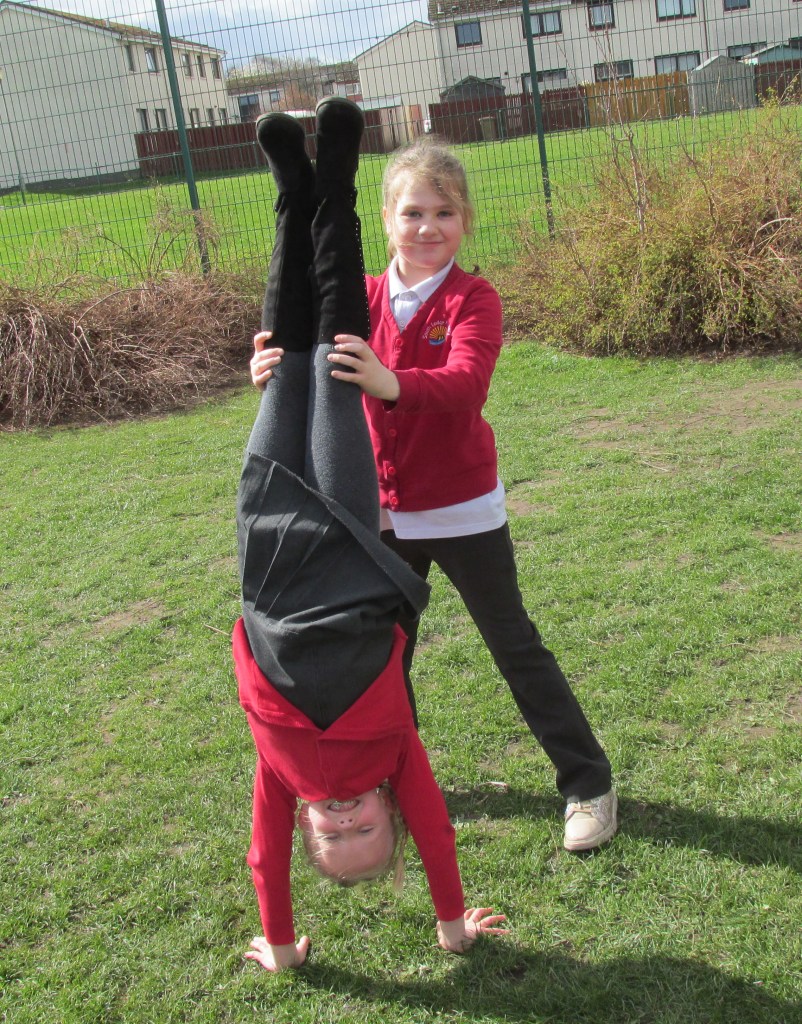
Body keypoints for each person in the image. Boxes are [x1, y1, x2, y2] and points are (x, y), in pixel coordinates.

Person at [251, 135, 618, 854]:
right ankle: (396, 782)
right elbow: (301, 355)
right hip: (378, 517)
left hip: (461, 510)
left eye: (444, 213)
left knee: (514, 645)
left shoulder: (474, 298)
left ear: (465, 220)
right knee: (383, 660)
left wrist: (390, 382)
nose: (428, 227)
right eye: (413, 212)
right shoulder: (358, 296)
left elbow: (467, 382)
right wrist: (271, 365)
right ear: (387, 219)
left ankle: (588, 783)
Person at [234, 99, 507, 974]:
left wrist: (282, 945)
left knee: (284, 363)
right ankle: (338, 175)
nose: (346, 817)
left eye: (334, 833)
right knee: (335, 357)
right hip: (352, 536)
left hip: (270, 552)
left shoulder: (282, 777)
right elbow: (438, 829)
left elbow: (263, 855)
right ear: (389, 810)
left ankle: (290, 189)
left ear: (309, 826)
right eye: (367, 829)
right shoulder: (395, 752)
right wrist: (452, 925)